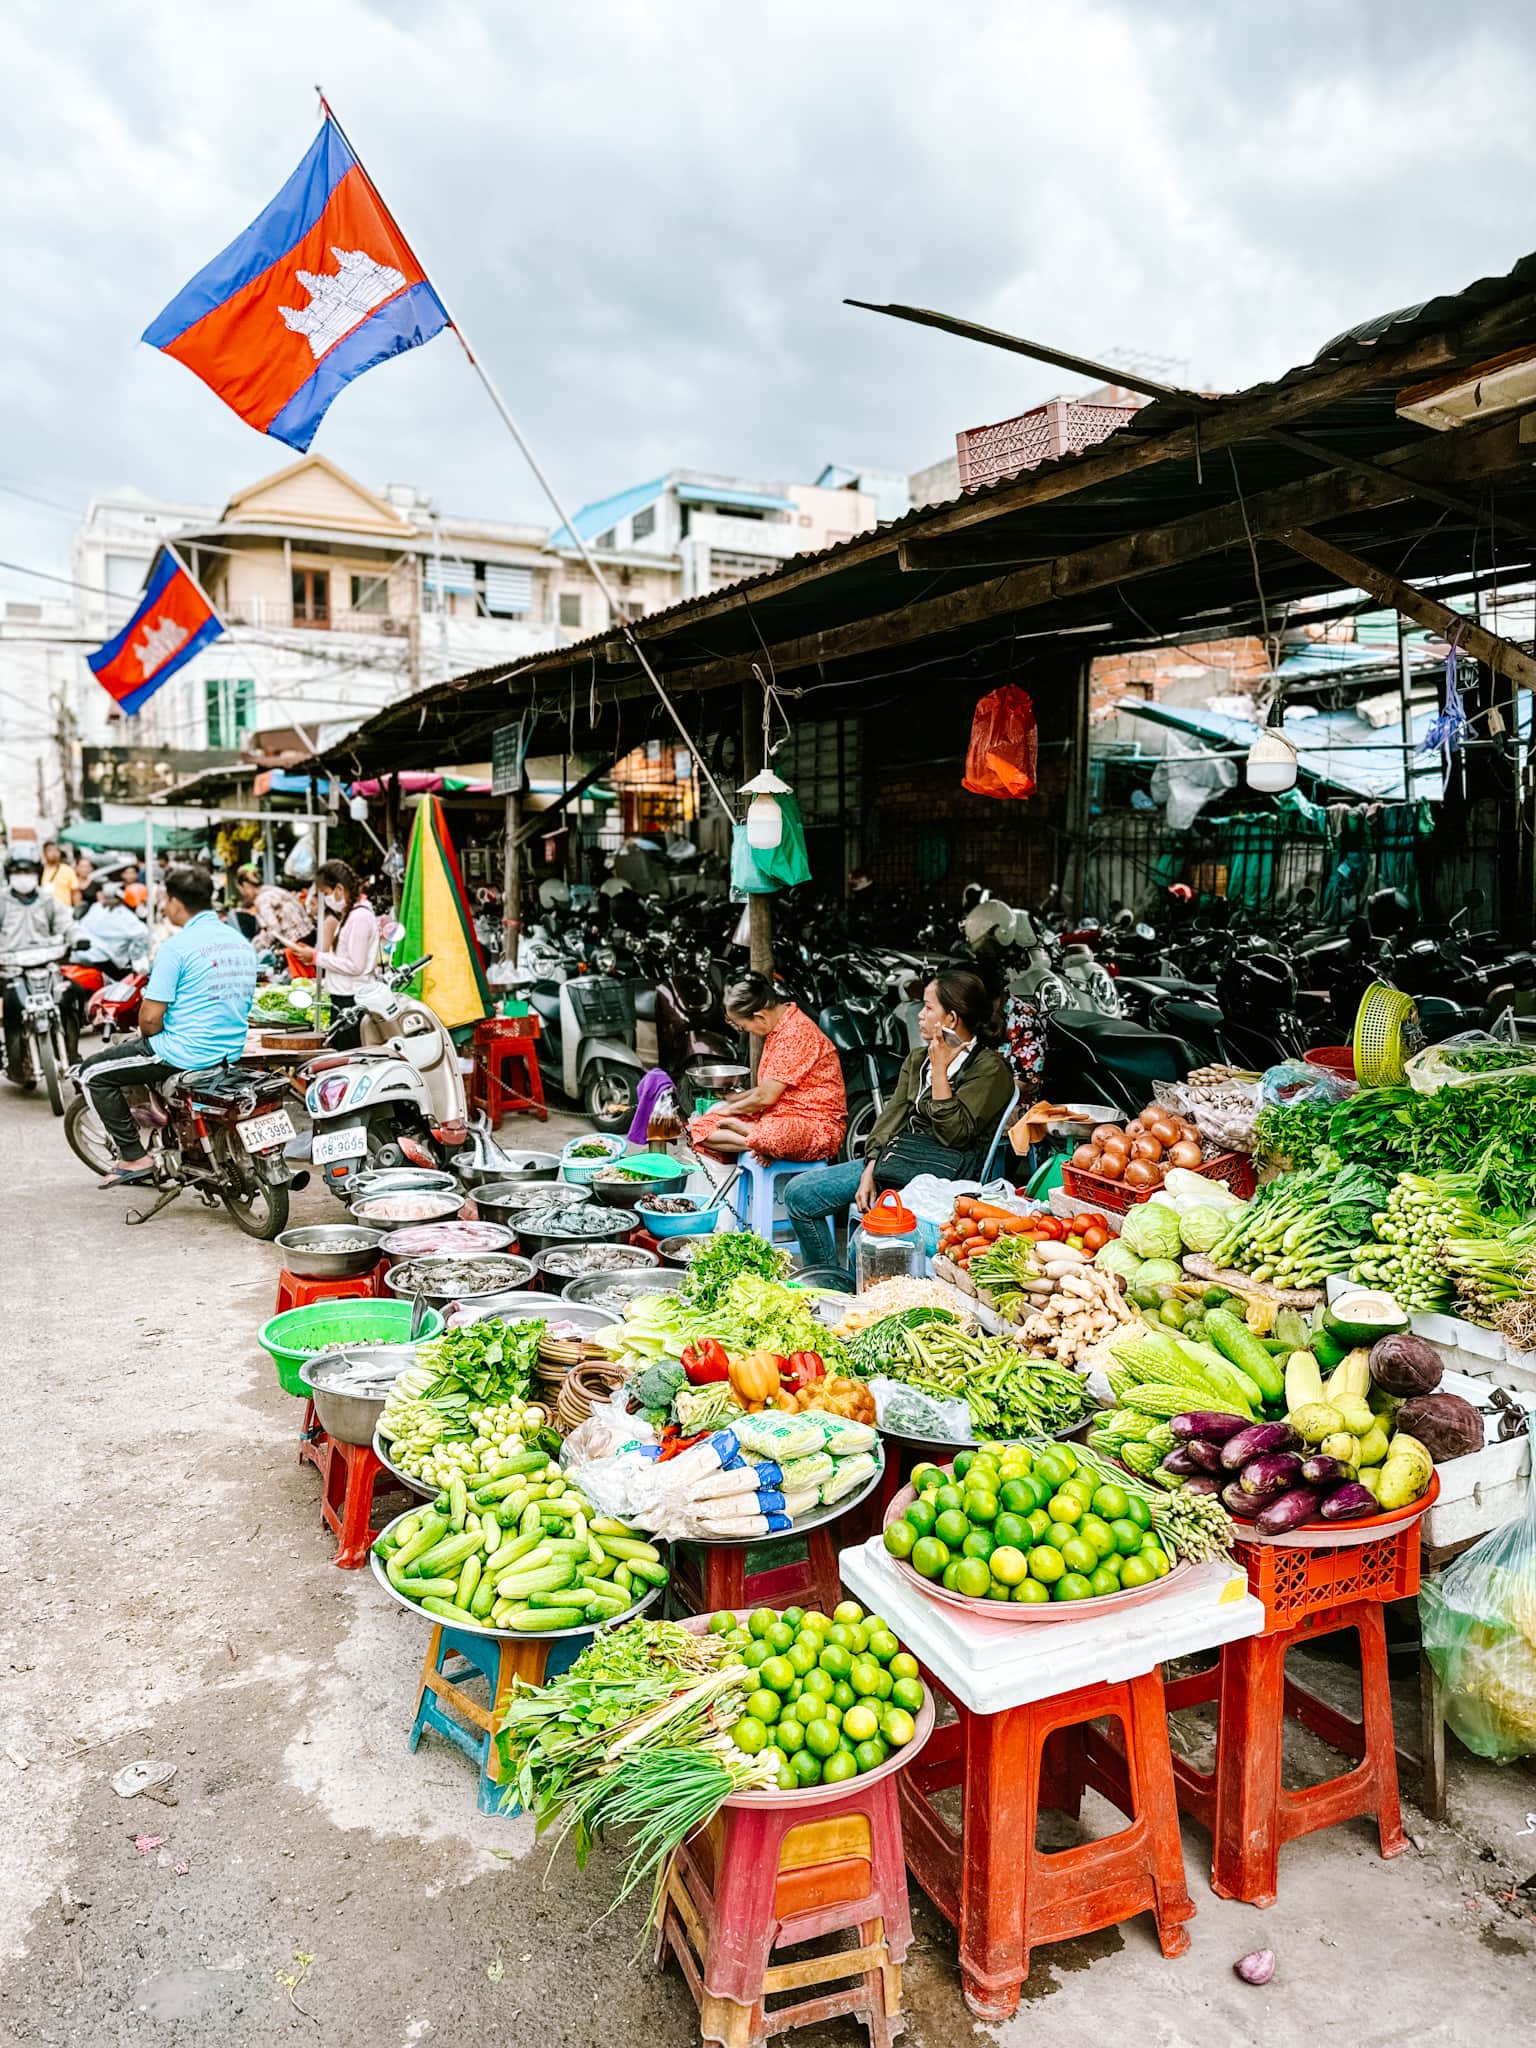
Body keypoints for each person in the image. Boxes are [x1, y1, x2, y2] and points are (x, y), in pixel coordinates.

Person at [781, 968, 1015, 1275]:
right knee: (800, 1194)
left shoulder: (990, 1069)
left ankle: (858, 1293)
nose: (920, 1015)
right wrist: (871, 1167)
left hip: (942, 1177)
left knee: (864, 1239)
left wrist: (942, 1070)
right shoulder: (918, 1059)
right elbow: (892, 1116)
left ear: (951, 1019)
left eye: (929, 1007)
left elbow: (955, 1134)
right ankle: (827, 1282)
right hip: (897, 1160)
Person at [78, 865, 257, 1188]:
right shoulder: (240, 942)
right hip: (229, 1049)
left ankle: (133, 1156)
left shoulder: (177, 947)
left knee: (92, 1073)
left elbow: (148, 1020)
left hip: (182, 1053)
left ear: (175, 902)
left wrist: (147, 1035)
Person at [687, 972, 846, 1161]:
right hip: (772, 1117)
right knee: (700, 1127)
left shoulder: (795, 1034)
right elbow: (766, 1089)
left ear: (760, 1016)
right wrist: (735, 1100)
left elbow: (765, 1096)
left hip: (813, 1125)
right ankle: (758, 1143)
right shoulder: (778, 1029)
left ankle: (757, 1139)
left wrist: (728, 1109)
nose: (746, 1031)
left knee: (775, 1135)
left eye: (743, 1027)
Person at [0, 848, 71, 1086]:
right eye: (18, 871)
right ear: (9, 874)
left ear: (37, 873)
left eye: (28, 871)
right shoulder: (1, 900)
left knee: (72, 995)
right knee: (10, 1008)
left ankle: (72, 1053)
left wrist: (76, 936)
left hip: (45, 964)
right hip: (9, 968)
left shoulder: (47, 900)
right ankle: (14, 1061)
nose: (23, 876)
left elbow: (66, 923)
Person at [289, 860, 379, 1022]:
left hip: (353, 1000)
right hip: (343, 997)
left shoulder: (360, 917)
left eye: (326, 893)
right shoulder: (351, 915)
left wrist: (316, 957)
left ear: (339, 889)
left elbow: (355, 966)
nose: (326, 899)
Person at [234, 864, 313, 954]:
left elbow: (274, 930)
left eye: (241, 890)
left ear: (245, 885)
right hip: (307, 936)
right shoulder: (272, 890)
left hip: (297, 943)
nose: (244, 895)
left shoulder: (262, 899)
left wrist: (256, 949)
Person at [75, 883, 148, 972]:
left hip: (78, 954)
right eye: (144, 902)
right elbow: (143, 935)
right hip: (101, 959)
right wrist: (136, 956)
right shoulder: (127, 918)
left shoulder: (98, 906)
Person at [41, 840, 79, 910]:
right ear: (44, 853)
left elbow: (75, 892)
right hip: (45, 910)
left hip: (64, 910)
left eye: (56, 850)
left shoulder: (68, 870)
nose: (54, 853)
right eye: (50, 850)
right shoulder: (40, 871)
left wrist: (77, 910)